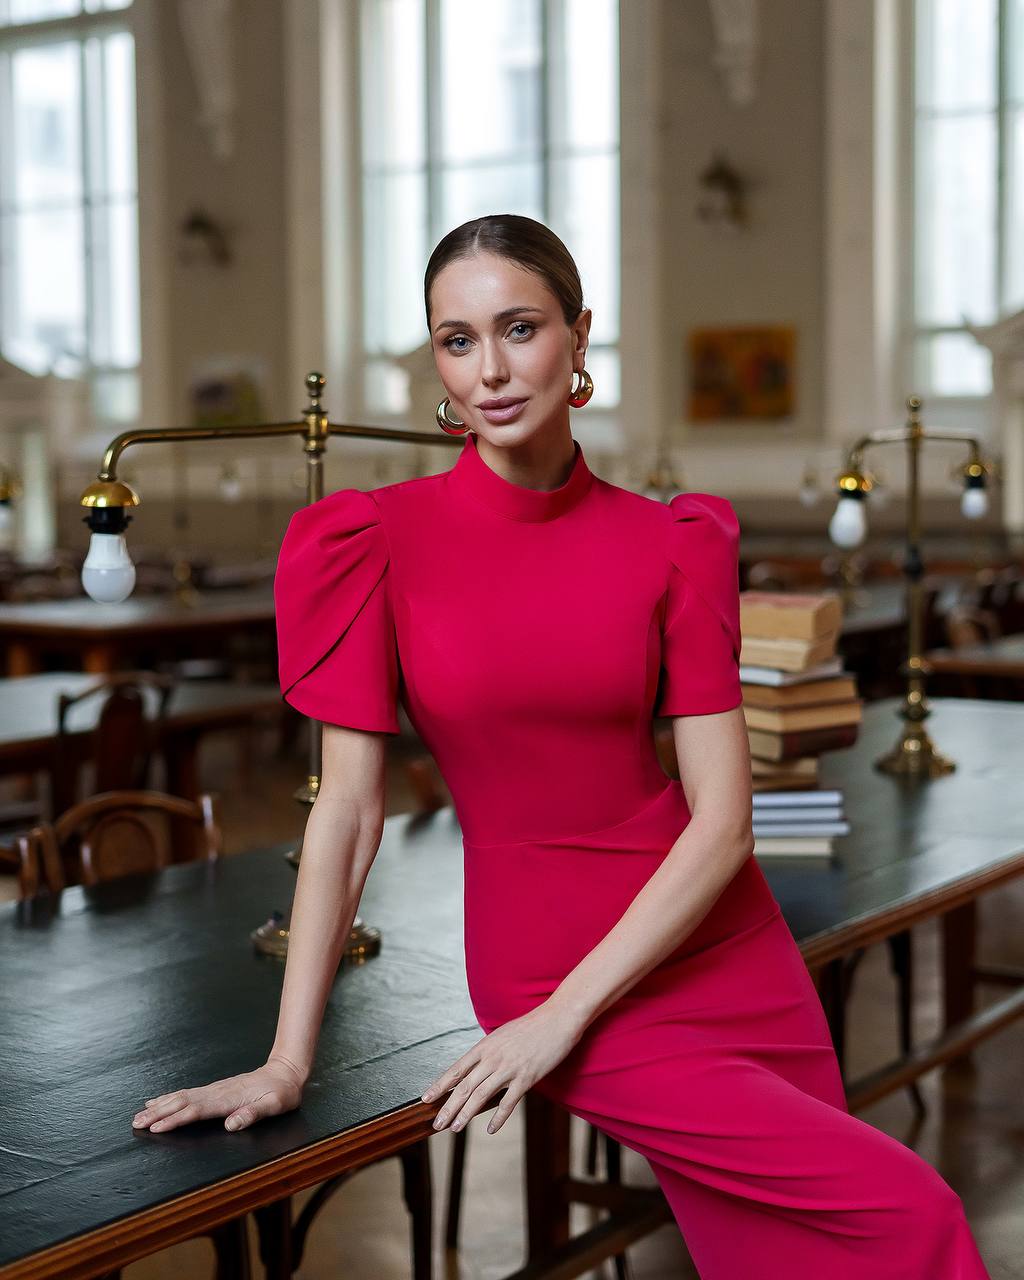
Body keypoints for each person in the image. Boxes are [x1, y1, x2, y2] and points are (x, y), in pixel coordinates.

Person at [132, 214, 991, 1279]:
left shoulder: (672, 543)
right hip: (545, 965)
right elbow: (345, 811)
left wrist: (565, 1018)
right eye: (456, 339)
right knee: (911, 1210)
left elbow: (722, 822)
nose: (488, 368)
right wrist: (287, 1056)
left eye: (519, 327)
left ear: (580, 336)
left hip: (721, 946)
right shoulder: (374, 541)